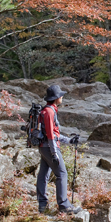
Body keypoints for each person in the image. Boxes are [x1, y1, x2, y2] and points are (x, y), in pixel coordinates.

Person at [36, 84, 81, 214]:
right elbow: (50, 134)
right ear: (56, 98)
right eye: (60, 95)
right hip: (50, 148)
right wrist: (54, 152)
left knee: (43, 175)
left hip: (43, 147)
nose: (62, 97)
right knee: (62, 174)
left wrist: (68, 140)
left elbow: (54, 133)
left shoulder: (46, 110)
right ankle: (64, 206)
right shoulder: (49, 112)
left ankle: (42, 205)